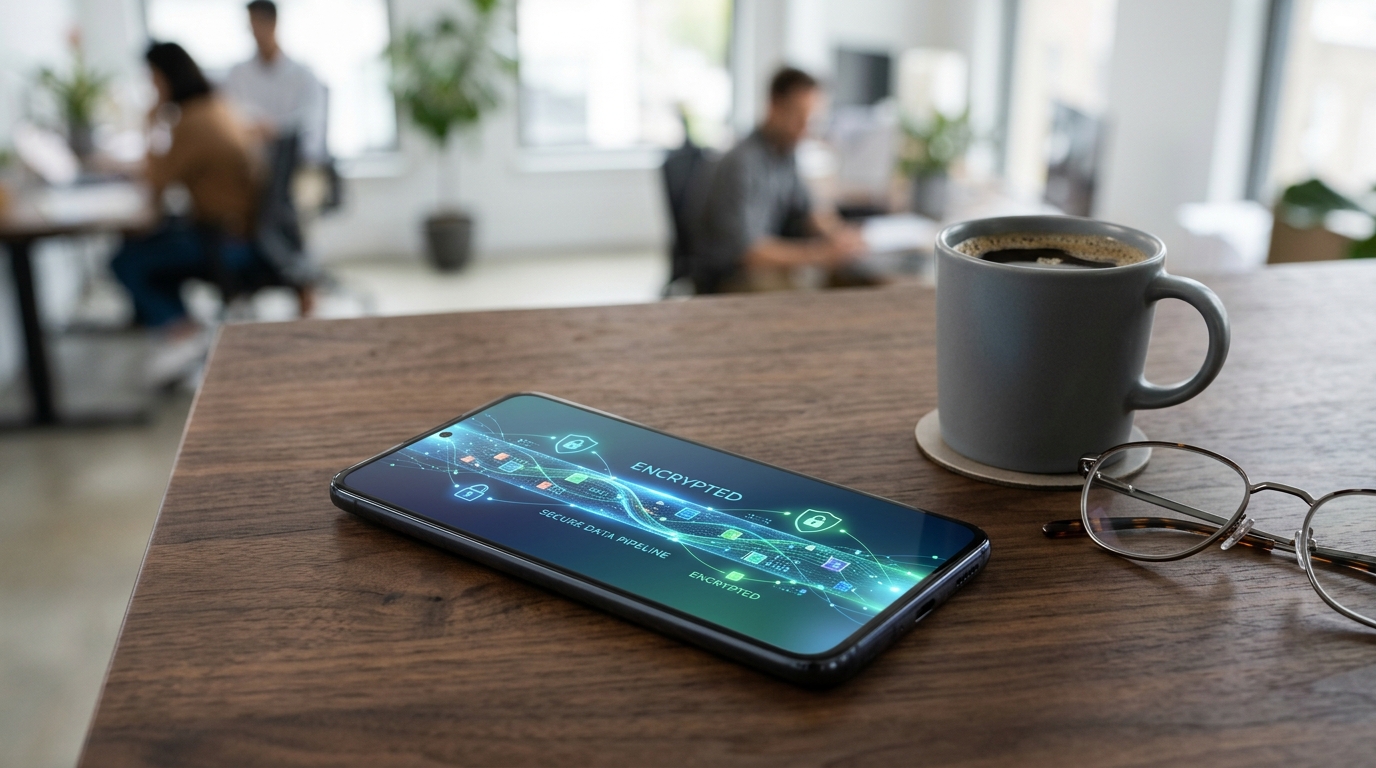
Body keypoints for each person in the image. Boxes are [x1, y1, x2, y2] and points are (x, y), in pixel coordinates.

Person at [110, 42, 263, 381]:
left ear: (167, 78)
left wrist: (150, 123)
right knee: (144, 245)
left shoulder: (192, 122)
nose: (151, 88)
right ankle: (179, 326)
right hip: (236, 231)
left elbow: (156, 183)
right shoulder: (216, 107)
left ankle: (181, 331)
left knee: (126, 259)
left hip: (225, 242)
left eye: (152, 79)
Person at [693, 67, 866, 293]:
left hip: (762, 266)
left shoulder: (785, 154)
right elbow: (750, 253)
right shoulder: (741, 163)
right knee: (810, 296)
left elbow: (810, 211)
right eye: (798, 117)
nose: (804, 130)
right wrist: (820, 254)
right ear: (774, 105)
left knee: (845, 281)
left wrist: (839, 235)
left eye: (811, 120)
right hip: (730, 276)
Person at [223, 0, 328, 163]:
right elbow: (229, 114)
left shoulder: (302, 75)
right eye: (251, 24)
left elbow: (312, 123)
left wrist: (276, 129)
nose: (255, 31)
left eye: (259, 22)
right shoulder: (238, 74)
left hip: (292, 160)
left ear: (274, 23)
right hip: (249, 161)